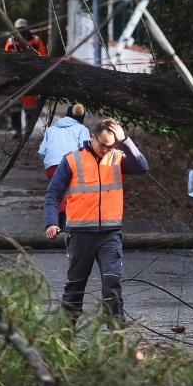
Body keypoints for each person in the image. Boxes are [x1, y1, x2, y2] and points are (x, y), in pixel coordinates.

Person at [44, 118, 148, 325]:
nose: (106, 149)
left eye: (111, 145)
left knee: (112, 283)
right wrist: (51, 223)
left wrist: (125, 140)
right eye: (102, 144)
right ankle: (65, 332)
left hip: (110, 234)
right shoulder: (72, 160)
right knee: (75, 285)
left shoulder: (117, 158)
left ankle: (117, 331)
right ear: (92, 138)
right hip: (80, 234)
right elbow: (53, 194)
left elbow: (142, 167)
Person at [38, 103, 90, 229]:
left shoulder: (51, 129)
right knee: (74, 195)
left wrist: (51, 161)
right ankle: (71, 227)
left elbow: (41, 152)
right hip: (71, 165)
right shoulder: (82, 129)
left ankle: (57, 227)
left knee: (57, 196)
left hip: (51, 166)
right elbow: (84, 150)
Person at [4, 18, 47, 139]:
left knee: (30, 109)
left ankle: (28, 131)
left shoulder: (36, 40)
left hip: (31, 81)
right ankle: (17, 131)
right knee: (15, 108)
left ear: (26, 28)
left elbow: (43, 58)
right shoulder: (10, 41)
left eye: (22, 28)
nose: (21, 31)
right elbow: (5, 58)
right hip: (15, 81)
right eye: (18, 29)